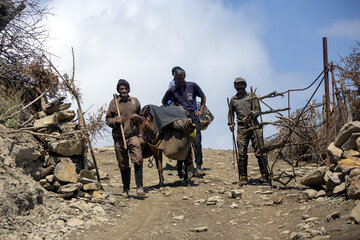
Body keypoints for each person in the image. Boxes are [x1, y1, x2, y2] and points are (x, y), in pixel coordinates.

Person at [162, 68, 206, 175]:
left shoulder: (193, 85)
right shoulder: (172, 89)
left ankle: (199, 167)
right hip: (181, 118)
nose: (181, 81)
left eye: (182, 79)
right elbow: (164, 102)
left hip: (193, 116)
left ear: (184, 77)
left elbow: (203, 96)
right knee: (183, 142)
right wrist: (172, 111)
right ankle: (189, 167)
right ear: (175, 78)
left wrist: (201, 110)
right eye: (178, 79)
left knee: (197, 141)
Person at [106, 79, 145, 197]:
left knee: (138, 159)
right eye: (121, 89)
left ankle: (139, 187)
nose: (123, 91)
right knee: (123, 163)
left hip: (133, 135)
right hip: (119, 137)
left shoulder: (135, 101)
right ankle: (126, 189)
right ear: (118, 90)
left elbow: (142, 118)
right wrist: (115, 121)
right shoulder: (114, 103)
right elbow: (107, 120)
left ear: (129, 89)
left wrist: (137, 118)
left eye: (125, 89)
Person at [228, 77, 269, 186]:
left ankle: (265, 175)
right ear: (235, 86)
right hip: (241, 128)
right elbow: (231, 114)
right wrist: (231, 123)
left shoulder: (252, 96)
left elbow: (257, 111)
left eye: (241, 84)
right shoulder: (233, 100)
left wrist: (250, 117)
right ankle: (243, 177)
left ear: (245, 85)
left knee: (260, 150)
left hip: (254, 126)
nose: (239, 86)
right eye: (237, 85)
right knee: (241, 153)